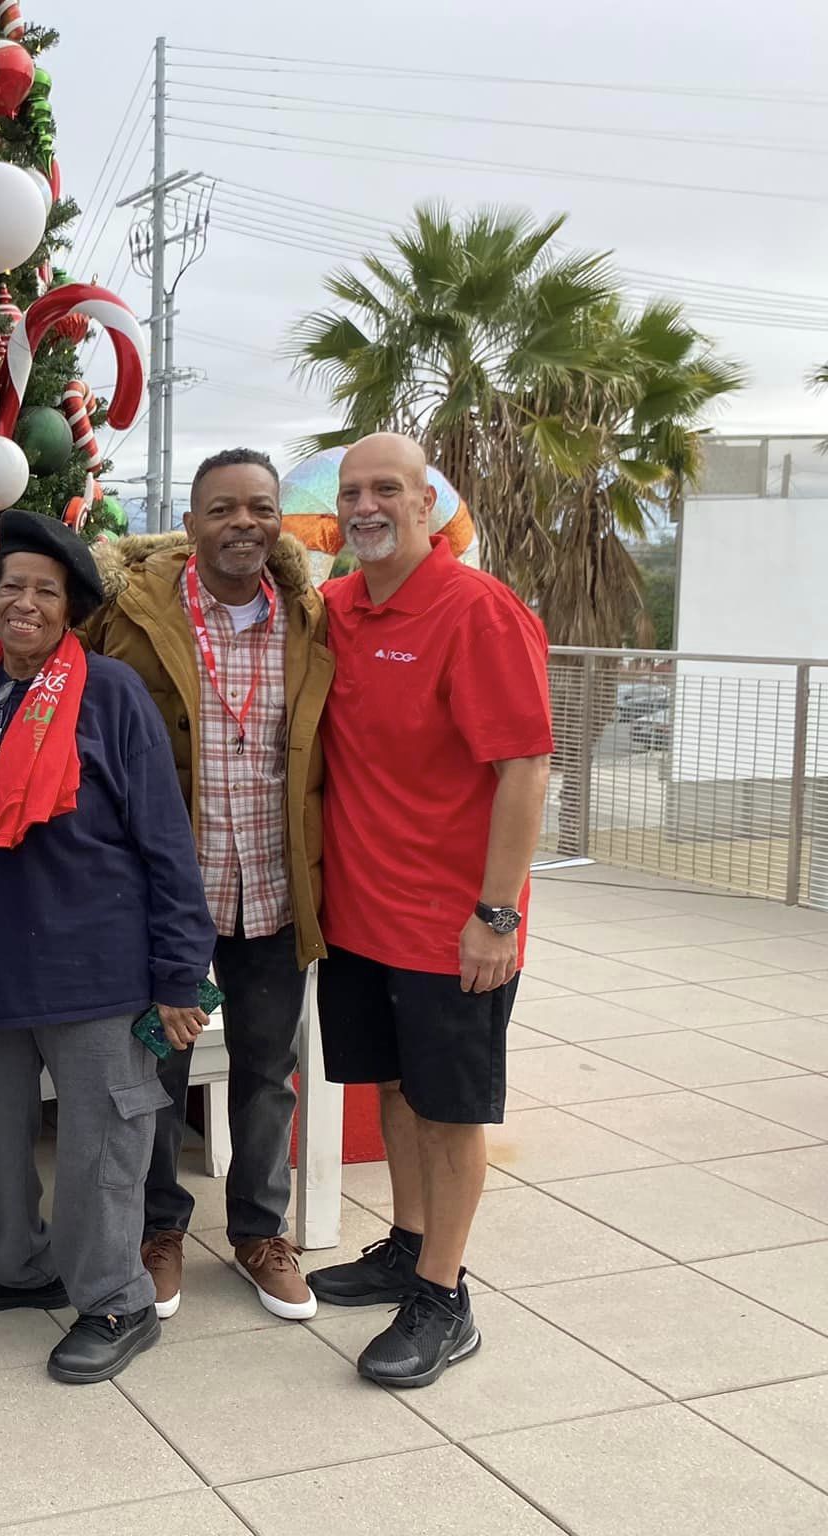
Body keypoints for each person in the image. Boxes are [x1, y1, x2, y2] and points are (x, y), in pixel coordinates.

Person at [0, 511, 217, 1385]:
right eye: (10, 586)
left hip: (97, 967)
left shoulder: (110, 694)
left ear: (70, 610)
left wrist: (180, 972)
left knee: (103, 1146)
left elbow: (166, 841)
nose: (24, 601)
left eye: (44, 591)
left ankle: (116, 1299)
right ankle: (20, 1267)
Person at [303, 432, 552, 1389]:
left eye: (388, 490)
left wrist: (497, 915)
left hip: (455, 925)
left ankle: (445, 1297)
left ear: (426, 502)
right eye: (353, 491)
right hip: (360, 915)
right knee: (396, 1091)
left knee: (450, 1112)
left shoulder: (476, 610)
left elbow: (525, 767)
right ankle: (408, 1244)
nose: (367, 506)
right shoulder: (335, 609)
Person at [81, 449, 333, 1323]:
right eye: (221, 509)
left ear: (278, 522)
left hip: (272, 888)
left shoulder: (309, 620)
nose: (243, 523)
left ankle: (262, 1232)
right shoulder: (130, 615)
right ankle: (158, 1228)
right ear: (190, 524)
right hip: (164, 903)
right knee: (157, 1068)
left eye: (259, 508)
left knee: (270, 1070)